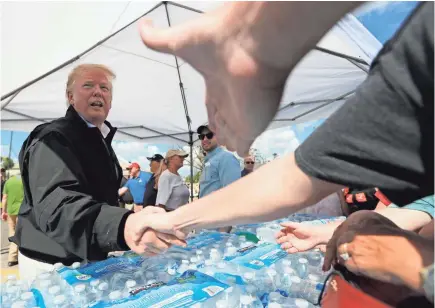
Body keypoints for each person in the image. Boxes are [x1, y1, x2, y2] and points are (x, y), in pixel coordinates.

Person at [10, 64, 184, 282]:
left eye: (105, 88)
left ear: (110, 102)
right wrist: (123, 225)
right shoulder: (53, 138)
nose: (98, 92)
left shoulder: (100, 141)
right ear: (70, 96)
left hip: (86, 257)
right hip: (52, 264)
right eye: (88, 85)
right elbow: (58, 205)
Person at [1, 175, 24, 267]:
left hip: (11, 211)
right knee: (23, 233)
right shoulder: (24, 181)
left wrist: (3, 211)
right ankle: (23, 256)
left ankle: (12, 258)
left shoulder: (8, 182)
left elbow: (5, 198)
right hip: (23, 210)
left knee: (12, 233)